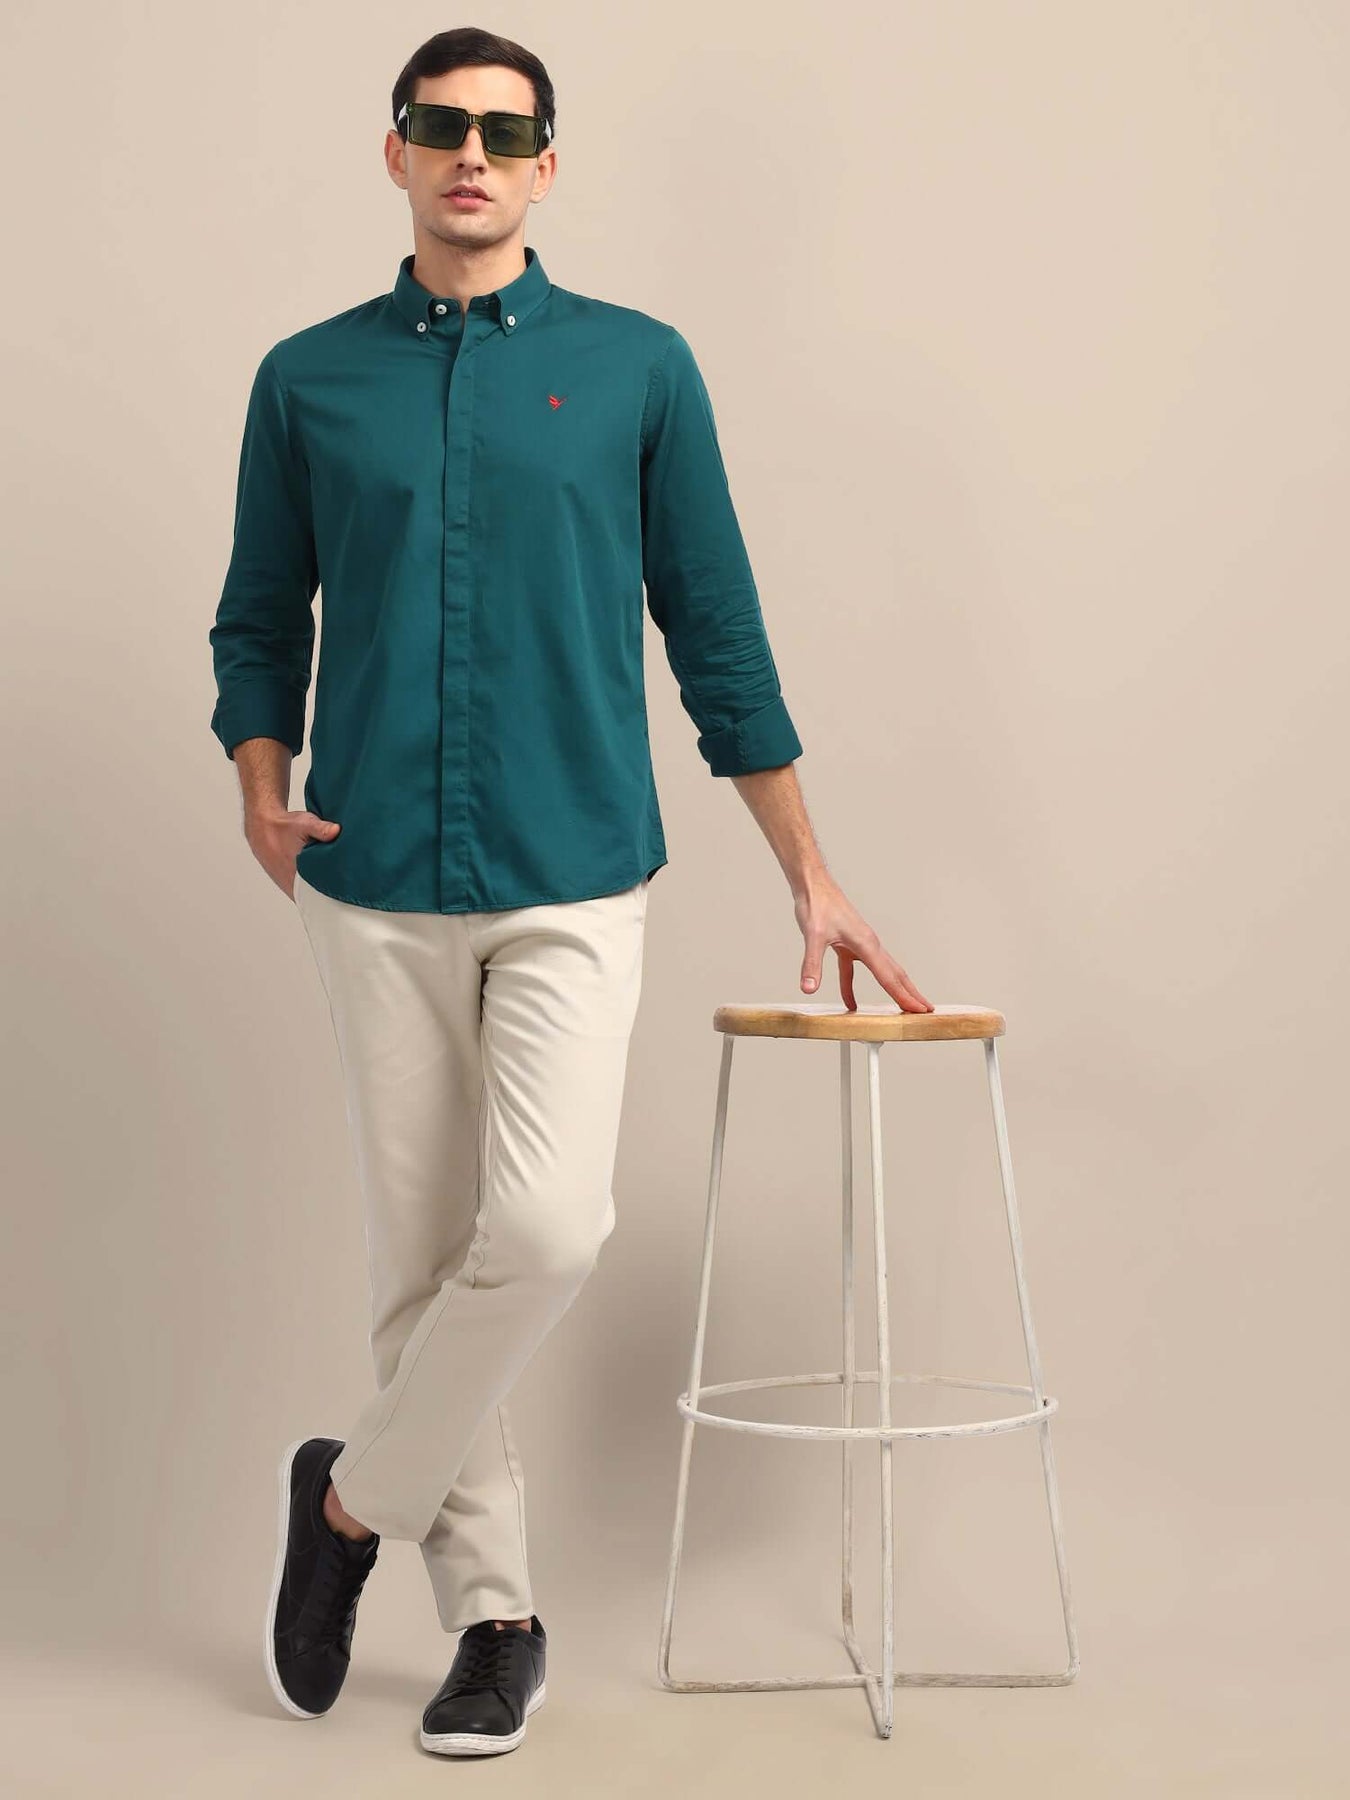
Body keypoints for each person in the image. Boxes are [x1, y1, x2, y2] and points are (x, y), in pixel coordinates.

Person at [209, 25, 933, 1760]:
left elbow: (716, 631)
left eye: (503, 131)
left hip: (572, 871)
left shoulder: (638, 371)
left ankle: (347, 1504)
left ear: (545, 166)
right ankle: (496, 1620)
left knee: (541, 1232)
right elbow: (258, 617)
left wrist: (811, 873)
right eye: (439, 125)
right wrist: (258, 787)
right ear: (394, 150)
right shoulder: (307, 380)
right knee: (419, 1266)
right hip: (370, 880)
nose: (470, 153)